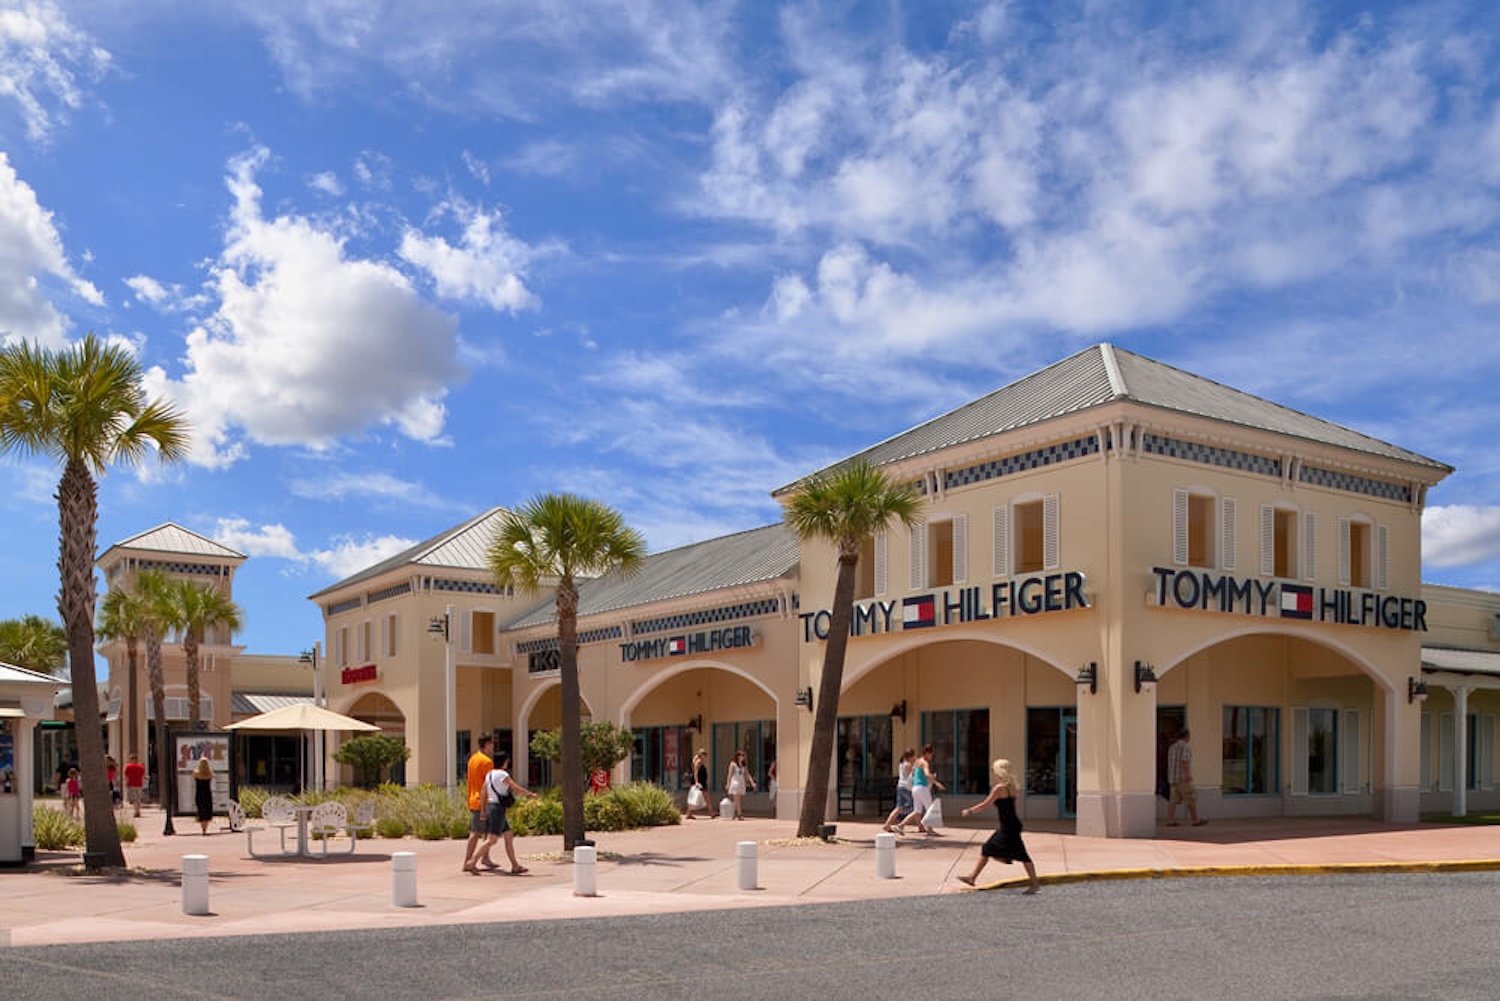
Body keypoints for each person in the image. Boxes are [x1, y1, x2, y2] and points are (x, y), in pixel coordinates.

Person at [958, 758, 1040, 894]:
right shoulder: (1012, 787)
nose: (993, 773)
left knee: (1017, 854)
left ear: (999, 771)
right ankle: (973, 877)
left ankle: (1034, 884)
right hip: (1011, 824)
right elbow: (1014, 808)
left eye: (994, 770)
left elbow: (985, 804)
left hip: (1009, 826)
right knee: (990, 849)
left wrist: (969, 811)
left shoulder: (999, 788)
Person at [469, 753, 538, 875]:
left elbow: (483, 792)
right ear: (504, 762)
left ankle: (515, 865)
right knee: (492, 840)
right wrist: (529, 794)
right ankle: (472, 861)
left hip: (491, 807)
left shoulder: (489, 774)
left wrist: (483, 810)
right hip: (498, 810)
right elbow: (515, 787)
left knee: (508, 835)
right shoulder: (503, 774)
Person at [462, 735, 495, 873]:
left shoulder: (472, 759)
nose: (493, 746)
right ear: (487, 744)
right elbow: (488, 784)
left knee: (487, 831)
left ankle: (485, 858)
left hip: (473, 798)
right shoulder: (487, 762)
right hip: (482, 801)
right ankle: (467, 862)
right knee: (475, 833)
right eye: (491, 743)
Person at [898, 744, 945, 835]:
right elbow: (927, 774)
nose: (931, 757)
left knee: (917, 811)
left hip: (915, 788)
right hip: (922, 788)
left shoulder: (917, 762)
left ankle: (901, 825)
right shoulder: (924, 763)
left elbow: (914, 774)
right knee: (930, 809)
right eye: (931, 754)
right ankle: (930, 829)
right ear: (927, 753)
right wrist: (936, 781)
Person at [1165, 729, 1207, 826]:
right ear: (1187, 736)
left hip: (1173, 778)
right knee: (1190, 798)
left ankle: (1170, 820)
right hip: (1183, 778)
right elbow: (1184, 761)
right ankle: (1195, 820)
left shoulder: (1172, 747)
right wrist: (1187, 774)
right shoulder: (1185, 746)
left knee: (1173, 800)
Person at [883, 748, 916, 833]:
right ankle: (902, 825)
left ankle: (887, 824)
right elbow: (914, 772)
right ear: (910, 756)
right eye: (913, 756)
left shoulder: (901, 764)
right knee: (916, 808)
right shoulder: (908, 764)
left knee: (899, 808)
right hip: (907, 788)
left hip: (900, 786)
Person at [726, 750, 756, 820]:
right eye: (741, 756)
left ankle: (733, 813)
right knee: (737, 799)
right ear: (737, 756)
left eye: (743, 756)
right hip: (735, 782)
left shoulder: (743, 765)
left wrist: (752, 782)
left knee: (737, 799)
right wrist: (728, 783)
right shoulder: (733, 764)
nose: (742, 757)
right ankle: (739, 814)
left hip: (741, 782)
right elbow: (729, 775)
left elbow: (747, 774)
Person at [683, 749, 712, 820]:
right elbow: (695, 772)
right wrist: (696, 782)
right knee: (705, 798)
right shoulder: (698, 762)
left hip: (702, 782)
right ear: (701, 755)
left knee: (707, 798)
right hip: (699, 782)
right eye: (704, 755)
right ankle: (712, 813)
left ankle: (689, 814)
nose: (705, 756)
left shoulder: (701, 762)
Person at [191, 756, 214, 835]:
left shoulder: (196, 773)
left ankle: (203, 828)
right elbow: (213, 776)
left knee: (201, 810)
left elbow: (193, 775)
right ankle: (205, 828)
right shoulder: (210, 773)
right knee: (207, 811)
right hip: (207, 794)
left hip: (199, 794)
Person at [123, 753, 147, 818]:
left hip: (131, 784)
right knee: (138, 799)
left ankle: (136, 811)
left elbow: (126, 776)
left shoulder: (128, 766)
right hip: (139, 784)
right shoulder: (140, 767)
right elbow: (143, 775)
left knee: (134, 799)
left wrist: (126, 783)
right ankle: (138, 811)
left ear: (131, 759)